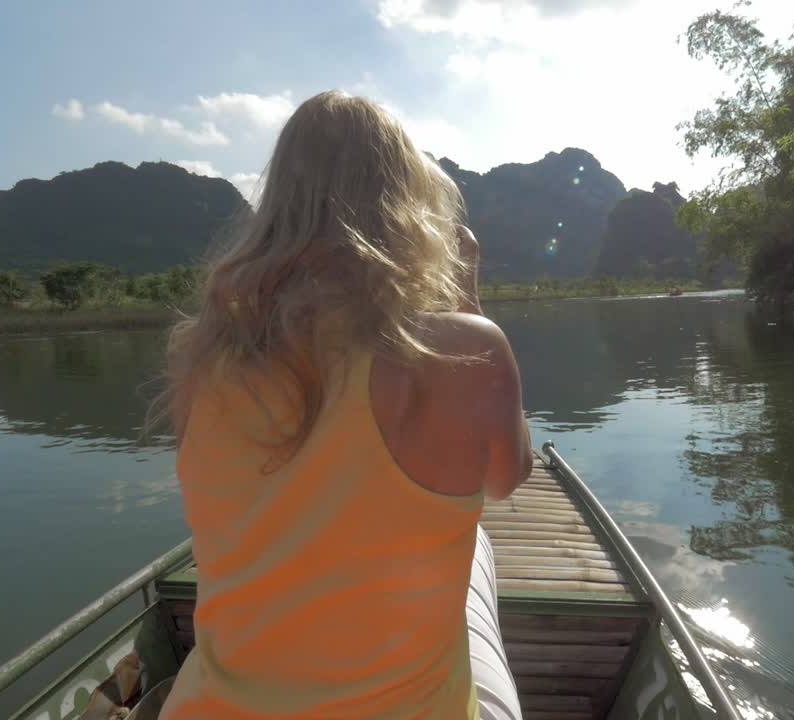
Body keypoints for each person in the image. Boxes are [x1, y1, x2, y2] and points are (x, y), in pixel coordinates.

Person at [151, 90, 531, 720]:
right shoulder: (463, 348)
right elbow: (504, 479)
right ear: (410, 205)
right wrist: (466, 303)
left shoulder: (198, 354)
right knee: (478, 560)